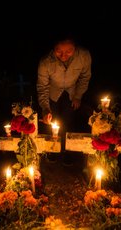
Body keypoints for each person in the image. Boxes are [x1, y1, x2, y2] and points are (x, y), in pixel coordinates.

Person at [36, 35, 92, 165]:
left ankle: (68, 151)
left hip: (72, 92)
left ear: (75, 47)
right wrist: (45, 108)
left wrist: (78, 96)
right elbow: (42, 86)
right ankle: (52, 150)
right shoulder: (45, 62)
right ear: (53, 48)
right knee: (52, 121)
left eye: (68, 51)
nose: (63, 55)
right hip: (53, 92)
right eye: (59, 51)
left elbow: (85, 77)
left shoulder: (84, 56)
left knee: (68, 121)